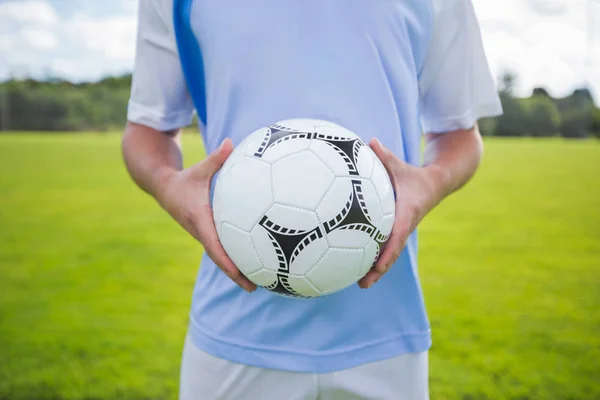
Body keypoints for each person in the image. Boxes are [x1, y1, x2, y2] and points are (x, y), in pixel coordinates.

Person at [122, 0, 502, 398]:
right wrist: (168, 184)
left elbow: (458, 133)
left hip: (385, 331)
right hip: (233, 331)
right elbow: (148, 128)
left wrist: (430, 183)